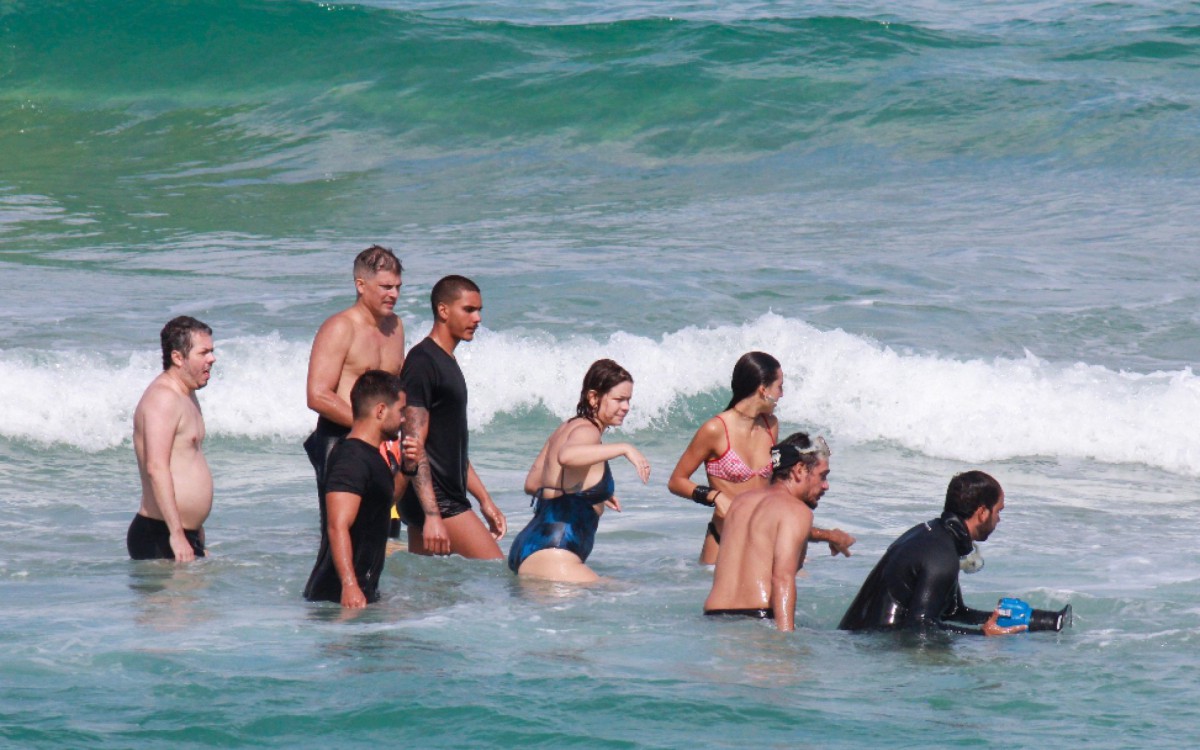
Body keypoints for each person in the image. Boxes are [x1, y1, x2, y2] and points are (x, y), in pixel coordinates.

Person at [668, 351, 855, 564]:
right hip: (724, 541)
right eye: (779, 386)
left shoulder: (770, 426)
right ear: (763, 390)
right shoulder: (715, 429)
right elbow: (676, 481)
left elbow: (777, 485)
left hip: (762, 540)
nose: (782, 394)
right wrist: (715, 497)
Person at [838, 471, 1070, 636]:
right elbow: (920, 628)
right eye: (998, 511)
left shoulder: (933, 535)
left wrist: (1036, 621)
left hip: (860, 639)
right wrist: (983, 635)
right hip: (875, 648)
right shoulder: (942, 556)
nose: (999, 519)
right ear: (982, 513)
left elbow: (952, 613)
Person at [508, 359, 651, 583]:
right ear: (593, 397)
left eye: (628, 400)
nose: (626, 407)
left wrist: (588, 492)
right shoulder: (588, 431)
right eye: (619, 399)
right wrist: (625, 448)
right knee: (633, 597)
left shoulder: (566, 427)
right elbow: (568, 456)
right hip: (555, 553)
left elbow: (533, 484)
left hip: (529, 545)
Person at [398, 275, 507, 558]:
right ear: (443, 310)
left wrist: (484, 500)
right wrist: (432, 514)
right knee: (497, 572)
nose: (478, 318)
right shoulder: (423, 362)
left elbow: (450, 446)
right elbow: (413, 443)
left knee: (428, 593)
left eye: (479, 310)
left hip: (438, 498)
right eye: (469, 310)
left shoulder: (446, 361)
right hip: (438, 500)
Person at [304, 245, 406, 515]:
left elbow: (396, 389)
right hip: (341, 441)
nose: (393, 294)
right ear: (361, 284)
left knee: (384, 532)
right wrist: (369, 430)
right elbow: (318, 395)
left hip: (384, 443)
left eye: (397, 287)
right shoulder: (340, 327)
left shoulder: (395, 327)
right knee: (343, 533)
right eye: (386, 287)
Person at [703, 433, 839, 631]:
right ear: (800, 470)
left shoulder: (740, 502)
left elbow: (768, 534)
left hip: (713, 620)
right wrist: (785, 641)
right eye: (823, 476)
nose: (825, 485)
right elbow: (782, 578)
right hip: (758, 620)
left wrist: (830, 536)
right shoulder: (796, 510)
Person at [304, 370, 405, 607]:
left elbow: (384, 503)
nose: (404, 419)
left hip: (359, 593)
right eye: (401, 411)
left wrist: (408, 470)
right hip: (334, 598)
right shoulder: (351, 458)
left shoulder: (372, 456)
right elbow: (337, 524)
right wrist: (350, 585)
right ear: (380, 410)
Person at [129, 316, 216, 562]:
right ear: (178, 358)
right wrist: (177, 535)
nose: (212, 358)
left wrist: (195, 530)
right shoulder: (163, 398)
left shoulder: (186, 393)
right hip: (160, 536)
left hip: (183, 534)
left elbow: (186, 462)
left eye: (212, 351)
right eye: (204, 352)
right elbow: (156, 468)